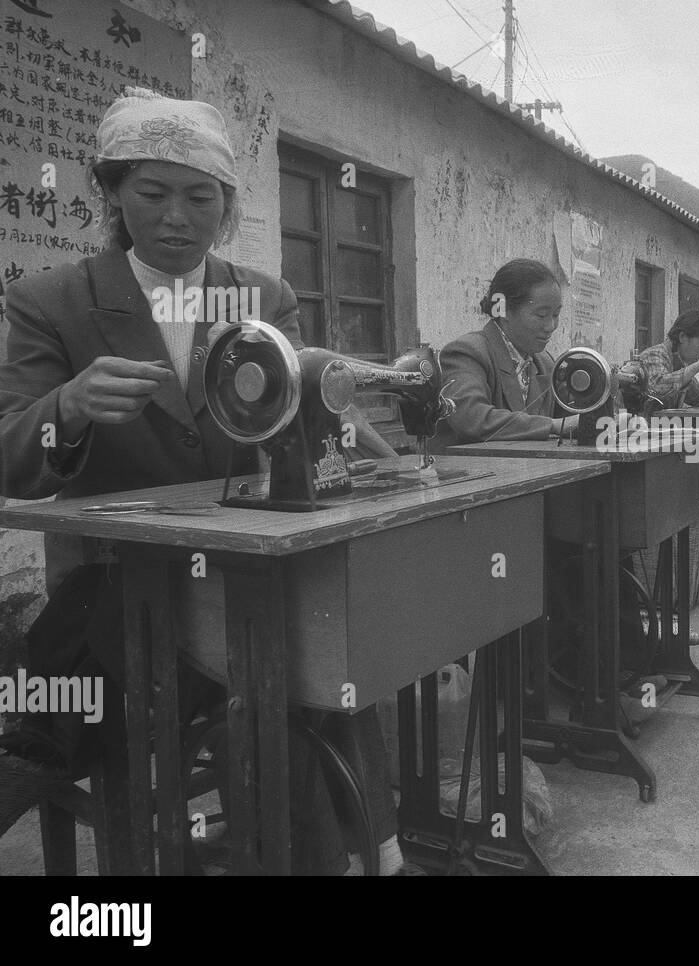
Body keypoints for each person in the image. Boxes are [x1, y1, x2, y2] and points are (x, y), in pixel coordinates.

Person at [0, 88, 404, 874]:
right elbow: (11, 456)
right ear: (112, 192)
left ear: (226, 204)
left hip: (244, 575)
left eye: (201, 197)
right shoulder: (52, 300)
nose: (177, 217)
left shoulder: (260, 298)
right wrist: (68, 407)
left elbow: (307, 412)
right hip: (118, 592)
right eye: (152, 193)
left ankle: (349, 854)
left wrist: (389, 460)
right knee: (275, 692)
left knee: (331, 668)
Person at [430, 259, 581, 450]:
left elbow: (572, 418)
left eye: (556, 315)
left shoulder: (544, 363)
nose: (551, 326)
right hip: (469, 474)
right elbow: (471, 417)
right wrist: (552, 425)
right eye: (541, 315)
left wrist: (602, 417)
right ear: (503, 309)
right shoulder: (466, 353)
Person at [621, 308, 699, 410]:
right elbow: (657, 388)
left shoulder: (679, 363)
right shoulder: (654, 355)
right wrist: (698, 366)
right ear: (682, 337)